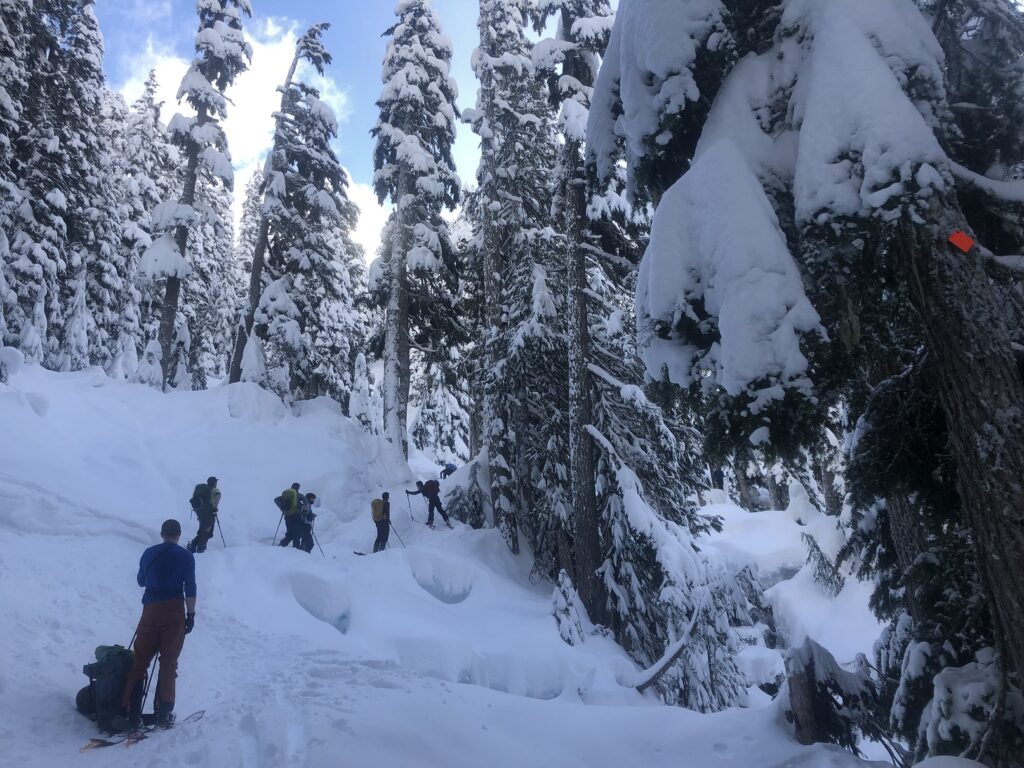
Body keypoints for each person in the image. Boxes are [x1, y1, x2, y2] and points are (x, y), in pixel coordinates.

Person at [113, 519, 196, 732]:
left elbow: (141, 581)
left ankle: (129, 712)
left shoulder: (149, 553)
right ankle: (163, 714)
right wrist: (191, 614)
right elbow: (190, 587)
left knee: (140, 661)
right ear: (178, 534)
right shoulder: (186, 556)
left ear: (162, 534)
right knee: (168, 663)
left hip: (150, 611)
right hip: (174, 613)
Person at [187, 476, 221, 554]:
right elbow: (218, 495)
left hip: (200, 513)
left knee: (203, 531)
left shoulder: (202, 489)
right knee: (207, 532)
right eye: (216, 482)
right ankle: (200, 549)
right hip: (209, 514)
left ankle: (193, 546)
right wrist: (215, 508)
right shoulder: (214, 490)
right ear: (214, 483)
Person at [277, 483, 304, 548]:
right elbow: (305, 501)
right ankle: (296, 549)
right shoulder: (298, 495)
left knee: (289, 533)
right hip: (296, 516)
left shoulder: (286, 494)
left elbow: (276, 499)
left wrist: (282, 508)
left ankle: (281, 546)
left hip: (287, 517)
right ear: (298, 488)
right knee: (297, 533)